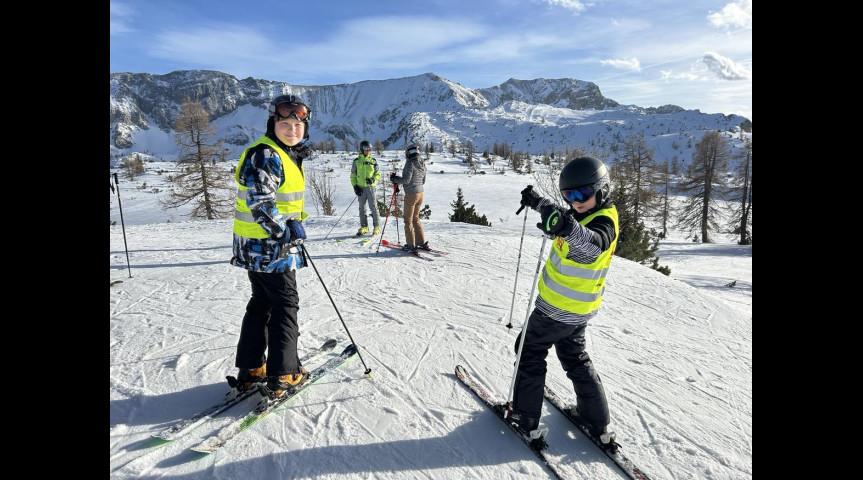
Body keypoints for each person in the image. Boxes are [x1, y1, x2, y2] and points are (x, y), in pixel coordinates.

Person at [510, 156, 618, 443]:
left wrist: (565, 228)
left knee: (528, 352)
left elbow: (593, 244)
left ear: (602, 189)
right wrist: (538, 202)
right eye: (569, 195)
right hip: (579, 311)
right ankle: (595, 421)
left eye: (582, 193)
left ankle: (525, 417)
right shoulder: (587, 212)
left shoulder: (604, 224)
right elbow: (565, 215)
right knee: (575, 359)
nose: (575, 201)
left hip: (555, 310)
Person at [229, 94, 315, 399]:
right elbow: (260, 203)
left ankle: (253, 368)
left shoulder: (280, 152)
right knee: (285, 304)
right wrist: (286, 230)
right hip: (269, 246)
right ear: (272, 123)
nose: (292, 129)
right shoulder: (266, 154)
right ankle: (284, 372)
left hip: (257, 245)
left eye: (297, 124)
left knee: (263, 303)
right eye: (285, 123)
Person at [390, 143, 427, 252]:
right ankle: (420, 242)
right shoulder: (422, 163)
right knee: (416, 218)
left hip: (411, 194)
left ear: (409, 153)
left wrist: (395, 179)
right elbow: (423, 181)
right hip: (420, 193)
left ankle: (410, 245)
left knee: (408, 220)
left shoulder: (410, 164)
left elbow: (406, 180)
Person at [350, 140, 381, 236]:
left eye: (369, 149)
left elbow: (378, 174)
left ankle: (377, 227)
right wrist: (355, 186)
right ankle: (364, 227)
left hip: (370, 188)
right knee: (362, 208)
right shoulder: (356, 162)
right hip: (360, 188)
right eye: (366, 149)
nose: (368, 151)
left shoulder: (373, 161)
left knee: (373, 207)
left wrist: (373, 180)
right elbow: (353, 176)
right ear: (361, 149)